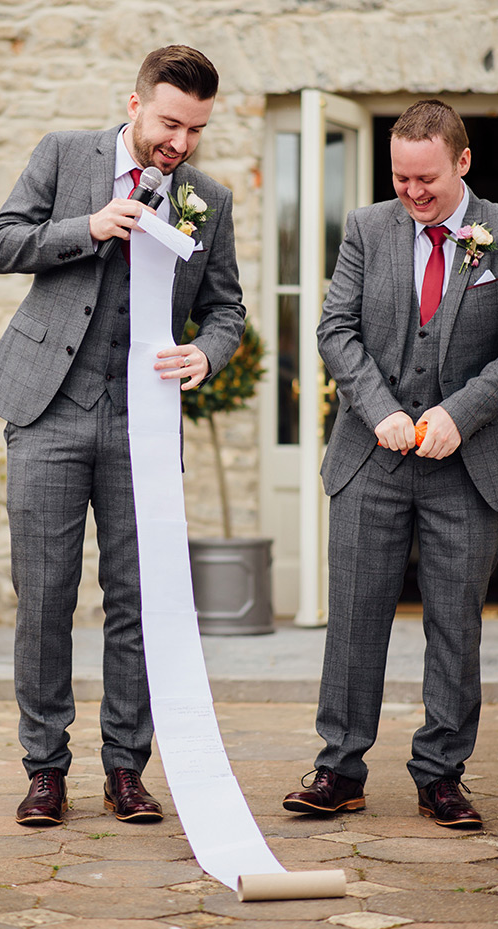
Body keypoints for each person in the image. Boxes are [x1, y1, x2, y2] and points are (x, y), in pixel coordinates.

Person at [0, 46, 245, 827]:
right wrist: (86, 227)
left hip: (144, 422)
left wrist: (208, 350)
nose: (181, 144)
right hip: (47, 407)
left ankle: (127, 768)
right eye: (169, 123)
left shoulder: (209, 198)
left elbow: (226, 308)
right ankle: (45, 768)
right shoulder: (64, 154)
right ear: (133, 105)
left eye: (195, 129)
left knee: (139, 598)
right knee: (45, 595)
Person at [283, 100, 498, 829]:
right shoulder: (367, 229)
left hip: (465, 466)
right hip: (368, 458)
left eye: (427, 180)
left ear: (463, 162)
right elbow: (334, 328)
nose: (412, 193)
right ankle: (339, 767)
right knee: (353, 616)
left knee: (455, 625)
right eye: (401, 178)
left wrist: (459, 414)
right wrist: (381, 409)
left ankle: (442, 773)